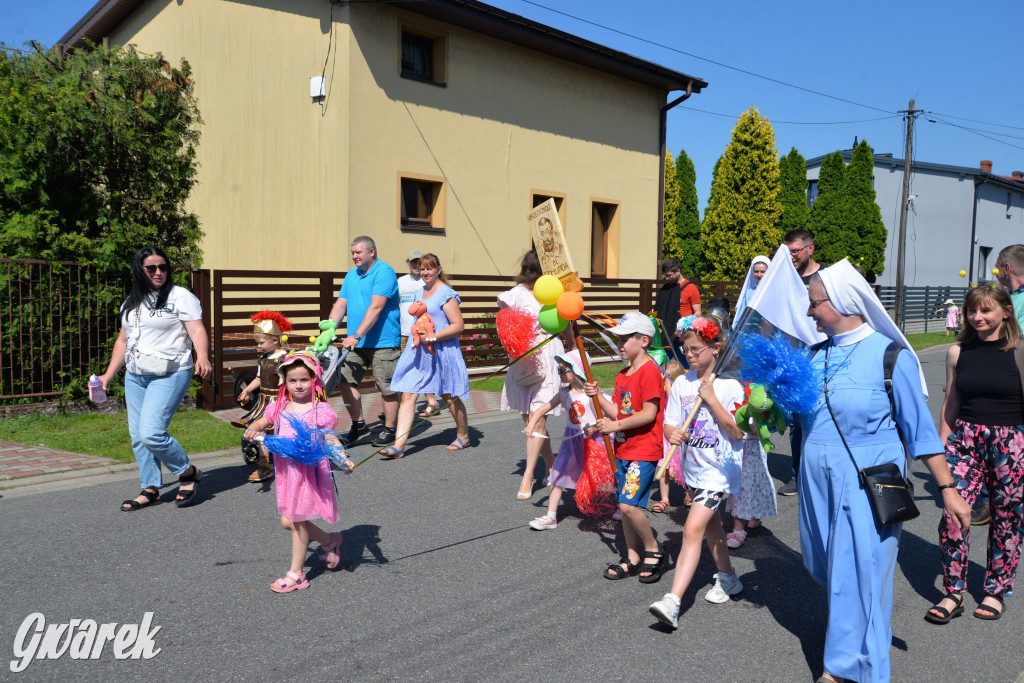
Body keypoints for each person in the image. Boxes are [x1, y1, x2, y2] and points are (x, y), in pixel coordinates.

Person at [796, 260, 969, 682]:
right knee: (828, 570)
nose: (809, 312)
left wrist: (946, 487)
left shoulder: (892, 357)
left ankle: (850, 668)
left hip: (865, 481)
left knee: (862, 574)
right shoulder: (812, 355)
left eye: (815, 303)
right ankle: (852, 648)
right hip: (815, 483)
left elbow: (922, 431)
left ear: (841, 302)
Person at [926, 286, 1024, 624]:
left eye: (986, 311)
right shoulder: (957, 351)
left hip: (1011, 444)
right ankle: (953, 591)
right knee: (953, 515)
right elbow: (951, 402)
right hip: (965, 440)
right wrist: (941, 443)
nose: (977, 317)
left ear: (1006, 312)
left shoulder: (1020, 351)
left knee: (1006, 518)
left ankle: (995, 590)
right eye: (972, 311)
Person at [648, 315, 746, 629]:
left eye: (696, 350)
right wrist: (671, 433)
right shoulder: (681, 383)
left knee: (692, 530)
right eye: (686, 349)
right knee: (713, 525)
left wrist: (712, 399)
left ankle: (673, 601)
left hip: (719, 472)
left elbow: (737, 432)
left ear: (715, 348)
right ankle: (729, 579)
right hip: (694, 470)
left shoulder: (731, 386)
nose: (689, 355)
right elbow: (669, 423)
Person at [98, 246, 212, 511]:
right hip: (136, 375)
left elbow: (197, 330)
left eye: (163, 267)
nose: (158, 272)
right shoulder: (131, 301)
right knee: (138, 435)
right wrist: (107, 375)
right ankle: (150, 489)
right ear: (140, 270)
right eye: (152, 268)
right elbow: (123, 341)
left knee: (152, 433)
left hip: (170, 373)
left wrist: (203, 356)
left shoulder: (179, 296)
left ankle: (187, 472)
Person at [244, 352, 352, 593]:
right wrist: (254, 427)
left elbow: (331, 437)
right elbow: (263, 421)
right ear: (285, 382)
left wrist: (342, 458)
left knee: (297, 521)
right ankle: (329, 540)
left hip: (309, 472)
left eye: (304, 379)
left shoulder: (320, 409)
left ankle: (297, 574)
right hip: (286, 473)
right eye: (293, 380)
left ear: (314, 380)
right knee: (288, 521)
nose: (298, 385)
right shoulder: (279, 406)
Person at [584, 312, 667, 583]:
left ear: (644, 340)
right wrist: (599, 398)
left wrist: (615, 427)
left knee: (627, 505)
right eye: (617, 339)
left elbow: (648, 413)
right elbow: (620, 412)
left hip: (643, 449)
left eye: (625, 339)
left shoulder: (650, 371)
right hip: (622, 449)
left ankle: (653, 548)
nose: (619, 344)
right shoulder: (623, 375)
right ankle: (632, 557)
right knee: (625, 506)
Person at [377, 253, 471, 458]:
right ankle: (399, 446)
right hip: (419, 352)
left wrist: (434, 336)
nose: (426, 272)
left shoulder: (446, 293)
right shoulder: (420, 291)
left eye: (430, 268)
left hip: (442, 351)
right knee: (408, 394)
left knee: (448, 395)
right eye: (423, 268)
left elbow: (459, 326)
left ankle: (463, 435)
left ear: (438, 270)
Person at [315, 236, 402, 448]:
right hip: (356, 341)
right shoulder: (351, 275)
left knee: (386, 386)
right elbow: (340, 305)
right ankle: (359, 424)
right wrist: (329, 330)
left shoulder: (385, 272)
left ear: (371, 252)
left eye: (358, 252)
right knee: (345, 379)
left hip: (383, 341)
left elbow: (377, 307)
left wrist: (357, 334)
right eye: (352, 252)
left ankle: (390, 429)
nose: (354, 256)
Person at [497, 251, 566, 500]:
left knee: (538, 420)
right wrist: (514, 340)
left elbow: (564, 321)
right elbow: (503, 321)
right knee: (530, 421)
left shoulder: (554, 291)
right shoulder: (516, 293)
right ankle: (551, 467)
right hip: (524, 358)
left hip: (547, 355)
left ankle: (528, 478)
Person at [525, 350, 613, 530]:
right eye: (558, 370)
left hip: (592, 441)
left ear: (578, 370)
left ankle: (621, 505)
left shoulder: (591, 395)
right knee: (558, 475)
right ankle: (551, 516)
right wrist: (531, 424)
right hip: (570, 442)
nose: (560, 374)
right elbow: (543, 408)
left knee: (603, 475)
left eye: (563, 370)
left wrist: (594, 428)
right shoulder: (564, 393)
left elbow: (606, 419)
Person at [778, 229, 822, 497]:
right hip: (794, 361)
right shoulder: (785, 280)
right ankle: (797, 476)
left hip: (822, 356)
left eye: (795, 251)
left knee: (820, 418)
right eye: (788, 252)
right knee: (796, 423)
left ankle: (818, 475)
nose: (792, 256)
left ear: (810, 249)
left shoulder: (824, 278)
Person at [232, 311, 291, 482]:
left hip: (281, 401)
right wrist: (246, 391)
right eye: (257, 343)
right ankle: (265, 466)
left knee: (283, 432)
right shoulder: (264, 358)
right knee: (261, 430)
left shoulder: (286, 359)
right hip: (263, 401)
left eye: (262, 343)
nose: (259, 346)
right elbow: (259, 378)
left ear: (274, 340)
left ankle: (288, 463)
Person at [397, 249, 441, 418]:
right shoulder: (400, 282)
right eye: (413, 262)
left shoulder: (426, 283)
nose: (417, 266)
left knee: (422, 368)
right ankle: (400, 403)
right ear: (407, 262)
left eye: (419, 262)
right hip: (404, 332)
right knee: (407, 369)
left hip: (423, 331)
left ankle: (431, 401)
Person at [650, 359, 686, 513]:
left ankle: (689, 493)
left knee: (681, 468)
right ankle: (664, 498)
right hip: (664, 437)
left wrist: (670, 386)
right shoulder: (662, 396)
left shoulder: (678, 395)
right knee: (664, 469)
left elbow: (674, 402)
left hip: (679, 437)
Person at [654, 258, 684, 362]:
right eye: (665, 275)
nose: (666, 278)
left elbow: (697, 312)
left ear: (678, 271)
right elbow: (658, 310)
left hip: (681, 336)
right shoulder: (665, 289)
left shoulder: (689, 288)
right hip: (664, 336)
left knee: (683, 365)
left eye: (669, 275)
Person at [732, 255, 770, 329]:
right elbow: (742, 316)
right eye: (756, 271)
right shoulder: (749, 293)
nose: (759, 275)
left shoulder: (774, 292)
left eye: (762, 272)